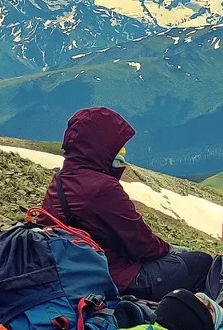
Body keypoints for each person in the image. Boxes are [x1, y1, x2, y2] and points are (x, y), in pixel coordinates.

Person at [45, 106, 212, 300]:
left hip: (75, 276)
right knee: (201, 263)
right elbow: (141, 244)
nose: (122, 151)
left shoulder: (59, 181)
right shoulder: (102, 187)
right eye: (117, 145)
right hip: (116, 279)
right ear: (100, 145)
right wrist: (170, 250)